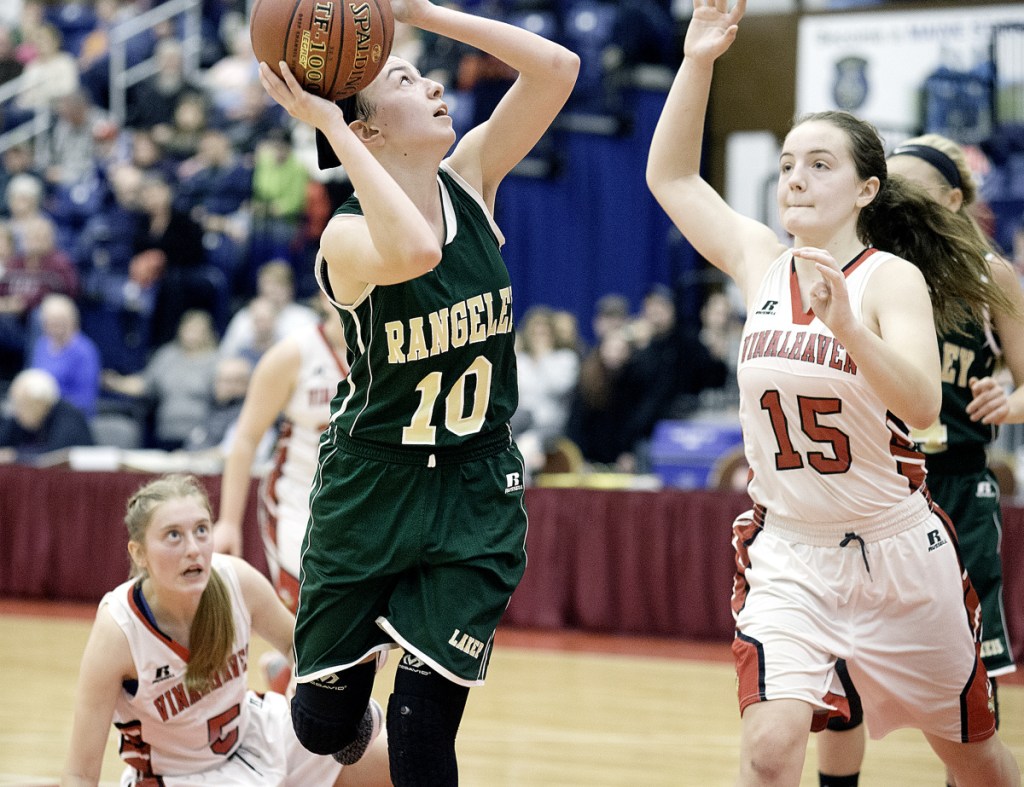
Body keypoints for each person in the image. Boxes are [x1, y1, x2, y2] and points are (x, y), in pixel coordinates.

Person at [645, 2, 1021, 785]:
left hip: (897, 550)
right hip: (791, 550)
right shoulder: (761, 261)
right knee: (770, 746)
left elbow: (921, 407)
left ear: (865, 189)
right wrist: (699, 61)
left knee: (976, 760)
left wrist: (849, 326)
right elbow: (671, 177)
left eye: (819, 164)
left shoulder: (891, 280)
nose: (794, 178)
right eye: (786, 164)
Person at [256, 0, 578, 781]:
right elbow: (417, 248)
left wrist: (422, 13)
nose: (434, 84)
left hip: (473, 483)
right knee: (322, 721)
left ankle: (406, 680)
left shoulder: (472, 177)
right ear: (364, 129)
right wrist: (329, 123)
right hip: (372, 481)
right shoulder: (346, 233)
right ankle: (345, 687)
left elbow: (558, 69)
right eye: (405, 78)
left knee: (421, 724)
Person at [816, 134, 1024, 787]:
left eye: (908, 183)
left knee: (964, 694)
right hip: (874, 489)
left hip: (956, 485)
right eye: (887, 182)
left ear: (953, 199)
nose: (893, 195)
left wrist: (1014, 400)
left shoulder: (990, 273)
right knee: (840, 675)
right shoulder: (867, 270)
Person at [60, 473, 389, 787]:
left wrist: (313, 697)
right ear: (139, 553)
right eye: (173, 535)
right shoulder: (118, 630)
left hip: (258, 738)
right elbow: (79, 773)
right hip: (178, 777)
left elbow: (300, 649)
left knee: (400, 761)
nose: (193, 548)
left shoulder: (236, 580)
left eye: (201, 530)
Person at [214, 292, 349, 616]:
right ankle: (288, 658)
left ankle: (281, 663)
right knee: (314, 616)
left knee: (357, 641)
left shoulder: (393, 348)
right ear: (326, 292)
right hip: (298, 501)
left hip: (364, 505)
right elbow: (246, 438)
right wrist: (229, 522)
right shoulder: (293, 353)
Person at [28, 293, 101, 420]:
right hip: (39, 415)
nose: (53, 327)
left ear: (72, 321)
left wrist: (48, 403)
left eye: (59, 322)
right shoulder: (41, 344)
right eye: (49, 322)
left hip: (72, 418)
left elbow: (85, 399)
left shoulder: (85, 351)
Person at [0, 367, 93, 462]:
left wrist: (16, 456)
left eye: (20, 404)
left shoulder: (69, 419)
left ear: (39, 403)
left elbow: (55, 458)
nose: (16, 412)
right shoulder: (24, 419)